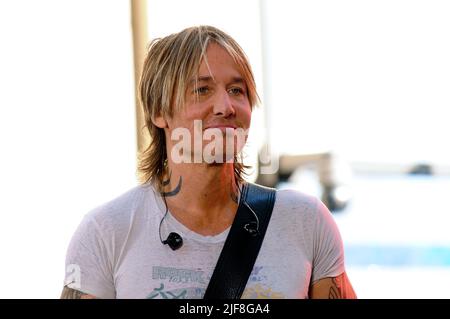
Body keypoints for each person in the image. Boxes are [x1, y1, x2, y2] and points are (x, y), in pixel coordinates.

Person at [61, 25, 356, 299]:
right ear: (158, 111)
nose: (226, 107)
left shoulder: (305, 221)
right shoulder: (106, 232)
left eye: (237, 90)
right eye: (202, 90)